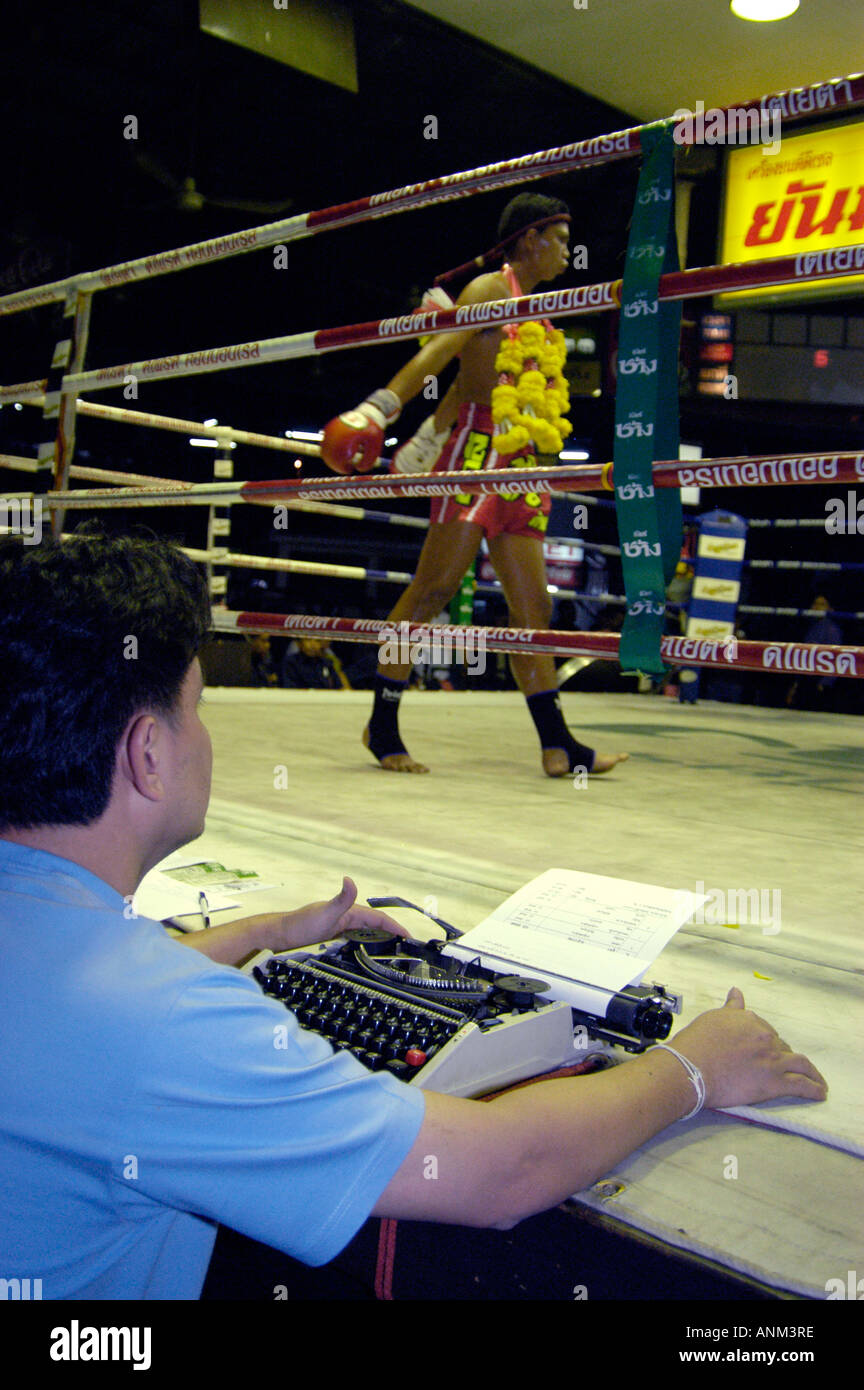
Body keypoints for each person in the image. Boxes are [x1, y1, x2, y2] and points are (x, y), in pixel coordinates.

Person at [0, 528, 827, 1299]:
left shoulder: (66, 944)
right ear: (148, 753)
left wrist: (265, 932)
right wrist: (690, 1072)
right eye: (199, 707)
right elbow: (499, 1174)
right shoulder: (164, 1028)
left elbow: (89, 999)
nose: (208, 737)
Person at [321, 192, 628, 778]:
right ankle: (381, 724)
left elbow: (471, 381)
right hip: (480, 455)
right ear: (531, 239)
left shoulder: (538, 310)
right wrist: (378, 410)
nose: (568, 250)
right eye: (560, 239)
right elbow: (443, 352)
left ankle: (557, 743)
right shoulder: (490, 290)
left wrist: (426, 437)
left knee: (533, 609)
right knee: (433, 590)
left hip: (522, 463)